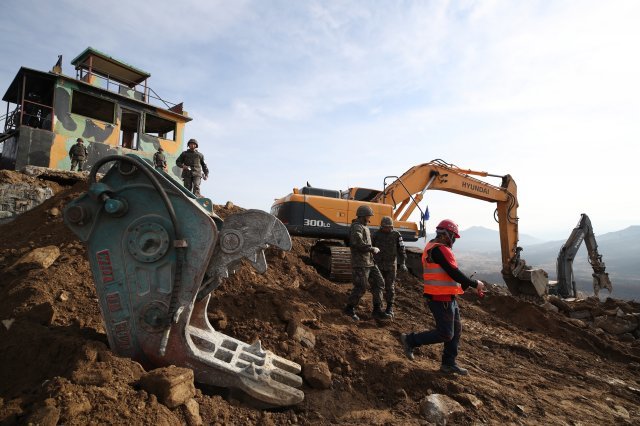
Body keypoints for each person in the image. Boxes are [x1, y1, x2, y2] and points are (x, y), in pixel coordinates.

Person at [399, 219, 485, 375]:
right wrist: (474, 283)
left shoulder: (433, 247)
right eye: (453, 236)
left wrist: (462, 285)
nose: (453, 240)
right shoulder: (439, 250)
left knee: (456, 330)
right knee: (445, 333)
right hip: (440, 299)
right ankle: (410, 340)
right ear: (446, 235)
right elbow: (453, 272)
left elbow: (447, 274)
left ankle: (448, 364)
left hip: (447, 297)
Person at [343, 205, 391, 321]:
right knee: (361, 287)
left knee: (379, 283)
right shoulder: (356, 227)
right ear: (364, 216)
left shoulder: (365, 227)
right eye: (369, 216)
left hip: (369, 262)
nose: (370, 218)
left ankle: (377, 310)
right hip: (360, 263)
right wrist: (371, 248)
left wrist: (371, 250)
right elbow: (356, 242)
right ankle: (349, 309)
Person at [372, 216, 408, 318]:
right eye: (385, 227)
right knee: (377, 287)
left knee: (390, 287)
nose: (388, 229)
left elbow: (402, 249)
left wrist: (403, 263)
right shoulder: (376, 234)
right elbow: (371, 248)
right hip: (378, 265)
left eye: (389, 227)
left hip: (391, 265)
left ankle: (389, 308)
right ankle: (376, 308)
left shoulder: (396, 235)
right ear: (381, 226)